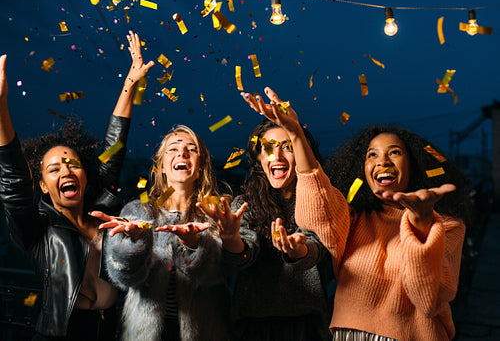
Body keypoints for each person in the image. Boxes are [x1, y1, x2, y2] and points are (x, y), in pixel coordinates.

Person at [0, 30, 155, 340]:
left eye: (73, 164)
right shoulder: (38, 231)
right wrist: (0, 107)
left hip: (111, 329)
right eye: (54, 169)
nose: (66, 170)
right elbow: (15, 184)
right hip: (61, 333)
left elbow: (113, 148)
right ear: (43, 186)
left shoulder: (104, 213)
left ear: (85, 177)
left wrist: (130, 84)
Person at [294, 123, 470, 340]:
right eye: (372, 154)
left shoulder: (448, 226)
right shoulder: (352, 218)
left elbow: (426, 300)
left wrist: (422, 224)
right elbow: (315, 207)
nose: (382, 161)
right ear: (362, 168)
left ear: (414, 164)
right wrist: (296, 135)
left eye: (394, 152)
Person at [198, 87, 333, 340]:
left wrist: (299, 251)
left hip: (307, 325)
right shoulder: (244, 203)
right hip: (253, 325)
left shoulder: (318, 198)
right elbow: (243, 256)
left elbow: (321, 249)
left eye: (287, 146)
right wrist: (230, 236)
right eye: (268, 148)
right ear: (259, 157)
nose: (277, 156)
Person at [93, 124, 233, 341]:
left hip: (205, 331)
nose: (182, 153)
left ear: (201, 166)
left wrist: (194, 244)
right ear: (161, 167)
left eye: (191, 149)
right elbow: (123, 278)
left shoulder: (216, 213)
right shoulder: (136, 211)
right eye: (173, 149)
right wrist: (134, 243)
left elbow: (219, 274)